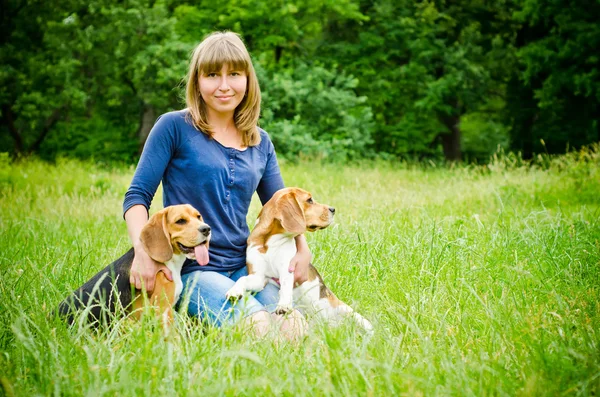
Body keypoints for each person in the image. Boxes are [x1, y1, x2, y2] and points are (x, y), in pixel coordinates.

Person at [123, 31, 310, 338]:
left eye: (234, 74)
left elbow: (280, 206)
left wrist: (302, 250)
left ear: (247, 79)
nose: (224, 86)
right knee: (258, 326)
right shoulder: (173, 127)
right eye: (212, 75)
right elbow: (137, 197)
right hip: (194, 269)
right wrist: (143, 253)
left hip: (247, 267)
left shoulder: (260, 142)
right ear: (197, 81)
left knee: (294, 328)